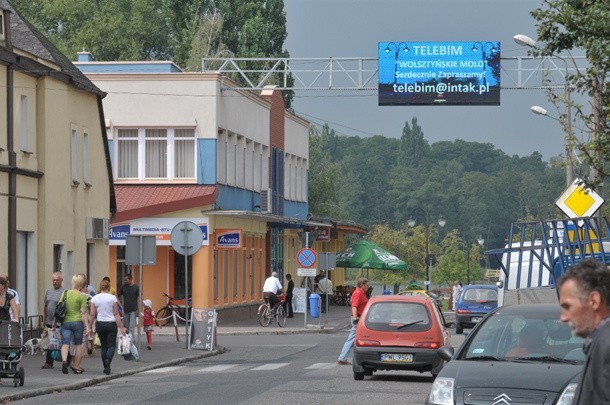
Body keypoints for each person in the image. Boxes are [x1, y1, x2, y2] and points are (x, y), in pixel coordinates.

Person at [558, 258, 610, 404]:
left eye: (567, 306)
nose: (563, 317)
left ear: (594, 300)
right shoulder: (600, 341)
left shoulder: (606, 344)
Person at [88, 279, 127, 375]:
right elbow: (116, 313)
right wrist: (121, 327)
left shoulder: (95, 298)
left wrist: (89, 327)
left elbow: (92, 314)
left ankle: (106, 368)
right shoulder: (112, 298)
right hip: (111, 323)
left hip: (100, 324)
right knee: (111, 346)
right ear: (109, 287)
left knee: (104, 346)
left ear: (100, 287)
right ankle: (108, 361)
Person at [59, 274, 90, 374]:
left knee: (65, 344)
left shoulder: (65, 293)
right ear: (81, 284)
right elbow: (84, 312)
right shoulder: (82, 296)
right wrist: (88, 326)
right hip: (77, 322)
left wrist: (55, 323)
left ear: (73, 282)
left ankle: (64, 361)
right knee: (78, 345)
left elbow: (59, 308)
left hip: (66, 322)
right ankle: (76, 366)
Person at [337, 277, 369, 365]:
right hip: (357, 318)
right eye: (367, 285)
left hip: (360, 318)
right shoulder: (358, 293)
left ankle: (343, 357)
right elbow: (354, 306)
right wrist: (355, 320)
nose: (368, 287)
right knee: (351, 339)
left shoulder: (361, 292)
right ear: (362, 285)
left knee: (354, 339)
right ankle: (342, 358)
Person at [42, 272, 66, 369]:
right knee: (50, 342)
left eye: (57, 280)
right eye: (53, 280)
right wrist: (45, 318)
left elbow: (64, 307)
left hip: (60, 322)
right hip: (49, 321)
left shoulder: (64, 292)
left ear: (61, 281)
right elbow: (46, 306)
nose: (55, 282)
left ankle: (66, 360)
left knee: (61, 342)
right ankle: (49, 362)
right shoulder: (48, 291)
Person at [118, 274, 140, 338]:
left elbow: (140, 297)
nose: (125, 281)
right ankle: (126, 340)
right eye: (124, 280)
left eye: (126, 280)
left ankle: (131, 342)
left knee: (131, 327)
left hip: (133, 310)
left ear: (131, 279)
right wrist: (121, 306)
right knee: (126, 327)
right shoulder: (123, 287)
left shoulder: (136, 287)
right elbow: (117, 296)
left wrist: (138, 309)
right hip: (125, 310)